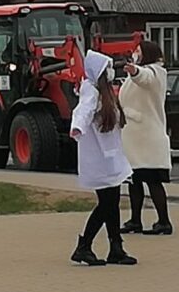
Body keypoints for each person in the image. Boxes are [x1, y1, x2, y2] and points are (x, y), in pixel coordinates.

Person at [70, 50, 137, 267]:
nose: (111, 72)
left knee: (112, 202)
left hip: (110, 157)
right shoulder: (91, 91)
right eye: (107, 68)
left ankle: (115, 248)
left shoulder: (104, 92)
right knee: (107, 204)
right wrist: (77, 127)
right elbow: (83, 111)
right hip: (99, 159)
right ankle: (84, 246)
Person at [119, 40, 172, 236]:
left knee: (153, 181)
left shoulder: (155, 72)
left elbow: (144, 78)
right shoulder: (143, 72)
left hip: (147, 138)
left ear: (147, 53)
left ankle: (164, 222)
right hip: (135, 137)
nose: (134, 53)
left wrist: (134, 71)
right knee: (135, 181)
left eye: (138, 50)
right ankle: (135, 220)